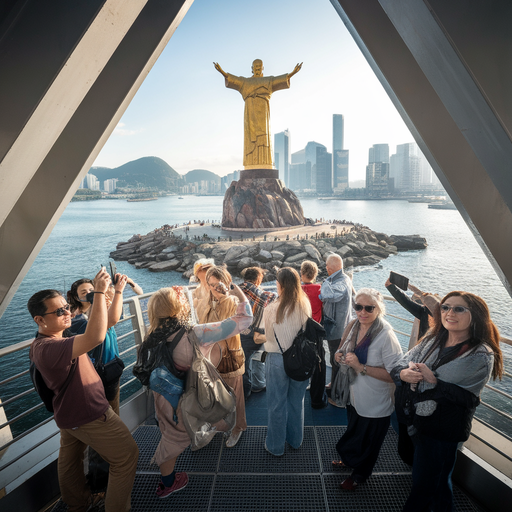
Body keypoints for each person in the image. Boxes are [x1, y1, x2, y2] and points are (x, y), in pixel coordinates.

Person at [28, 269, 138, 512]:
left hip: (68, 414)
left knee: (70, 460)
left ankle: (77, 503)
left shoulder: (50, 340)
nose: (67, 312)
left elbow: (101, 325)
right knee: (127, 456)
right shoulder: (49, 348)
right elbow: (96, 336)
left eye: (66, 306)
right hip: (89, 413)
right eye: (59, 311)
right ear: (39, 319)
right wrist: (99, 291)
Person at [391, 291, 503, 512]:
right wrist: (403, 374)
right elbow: (400, 363)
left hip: (442, 429)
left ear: (476, 316)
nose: (449, 312)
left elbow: (454, 391)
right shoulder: (434, 338)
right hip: (418, 421)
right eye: (445, 307)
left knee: (424, 486)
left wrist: (432, 380)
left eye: (459, 309)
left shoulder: (481, 354)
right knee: (438, 482)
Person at [140, 284, 252, 497]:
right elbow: (244, 320)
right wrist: (240, 294)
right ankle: (168, 484)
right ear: (179, 307)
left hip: (164, 397)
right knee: (175, 439)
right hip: (190, 397)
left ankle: (169, 477)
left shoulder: (152, 335)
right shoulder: (198, 333)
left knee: (170, 432)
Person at [333, 288, 403, 491]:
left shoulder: (386, 335)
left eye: (369, 308)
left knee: (369, 441)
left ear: (378, 309)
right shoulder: (354, 325)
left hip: (375, 401)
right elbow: (342, 346)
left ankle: (360, 475)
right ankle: (350, 460)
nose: (362, 312)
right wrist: (339, 354)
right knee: (354, 432)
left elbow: (394, 374)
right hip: (354, 395)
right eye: (358, 306)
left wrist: (360, 367)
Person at [385, 275, 440, 465]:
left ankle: (414, 457)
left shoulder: (438, 323)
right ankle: (410, 455)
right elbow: (407, 300)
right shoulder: (424, 313)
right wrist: (399, 286)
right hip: (416, 370)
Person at [213, 59, 302, 168]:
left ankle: (265, 163)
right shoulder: (245, 82)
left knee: (263, 136)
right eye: (256, 68)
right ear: (252, 69)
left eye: (259, 68)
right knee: (251, 136)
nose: (258, 70)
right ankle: (251, 163)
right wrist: (222, 71)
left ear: (263, 68)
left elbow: (279, 80)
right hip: (250, 113)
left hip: (263, 113)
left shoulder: (268, 81)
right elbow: (234, 80)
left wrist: (293, 73)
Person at [262, 267, 312, 456]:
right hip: (301, 359)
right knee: (296, 401)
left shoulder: (271, 308)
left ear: (280, 285)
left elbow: (267, 337)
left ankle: (275, 447)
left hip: (277, 360)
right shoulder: (304, 303)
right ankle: (295, 440)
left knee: (276, 404)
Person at [196, 266, 247, 448]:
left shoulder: (232, 301)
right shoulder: (204, 302)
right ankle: (219, 424)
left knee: (236, 395)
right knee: (215, 395)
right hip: (211, 358)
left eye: (218, 284)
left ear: (225, 283)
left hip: (230, 357)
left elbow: (244, 320)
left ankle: (238, 427)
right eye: (210, 285)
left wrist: (225, 295)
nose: (214, 288)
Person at [67, 273, 128, 414]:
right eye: (84, 292)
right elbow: (111, 320)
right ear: (76, 297)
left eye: (91, 290)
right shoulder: (77, 321)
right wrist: (118, 291)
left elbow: (112, 316)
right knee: (109, 414)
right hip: (100, 373)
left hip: (109, 368)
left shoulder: (99, 309)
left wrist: (106, 298)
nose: (89, 294)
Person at [239, 267, 277, 399]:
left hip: (235, 333)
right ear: (258, 280)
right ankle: (257, 384)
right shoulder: (265, 295)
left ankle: (243, 392)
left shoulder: (233, 291)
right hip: (255, 335)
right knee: (258, 355)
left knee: (242, 363)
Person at [319, 254, 355, 394]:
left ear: (329, 269)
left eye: (327, 267)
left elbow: (330, 294)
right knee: (336, 359)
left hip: (338, 329)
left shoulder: (341, 281)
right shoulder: (344, 279)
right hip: (338, 328)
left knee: (337, 359)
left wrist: (325, 282)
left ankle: (337, 391)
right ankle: (335, 385)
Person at [300, 260, 327, 409]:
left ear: (302, 273)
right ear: (315, 274)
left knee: (300, 360)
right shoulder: (321, 289)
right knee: (319, 363)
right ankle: (317, 400)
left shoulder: (297, 290)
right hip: (316, 331)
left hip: (300, 330)